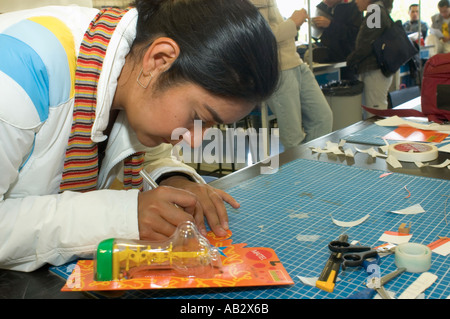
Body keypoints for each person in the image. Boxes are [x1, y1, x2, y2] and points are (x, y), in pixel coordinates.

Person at [0, 0, 279, 272]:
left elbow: (138, 150)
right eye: (199, 117)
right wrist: (122, 216)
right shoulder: (16, 74)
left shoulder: (126, 69)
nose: (195, 140)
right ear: (159, 59)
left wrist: (174, 179)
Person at [250, 0, 333, 149]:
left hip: (296, 63)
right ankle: (302, 171)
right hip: (279, 69)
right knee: (293, 137)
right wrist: (293, 22)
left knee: (322, 118)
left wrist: (293, 23)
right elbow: (262, 38)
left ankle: (313, 167)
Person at [346, 0, 394, 116]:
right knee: (375, 111)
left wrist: (351, 59)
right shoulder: (378, 10)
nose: (355, 1)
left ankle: (379, 135)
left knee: (375, 113)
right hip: (376, 69)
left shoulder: (375, 11)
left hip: (375, 70)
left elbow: (367, 42)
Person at [312, 0, 363, 68]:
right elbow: (318, 36)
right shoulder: (322, 7)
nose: (325, 1)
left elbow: (355, 34)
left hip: (346, 59)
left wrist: (330, 24)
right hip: (327, 57)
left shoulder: (353, 6)